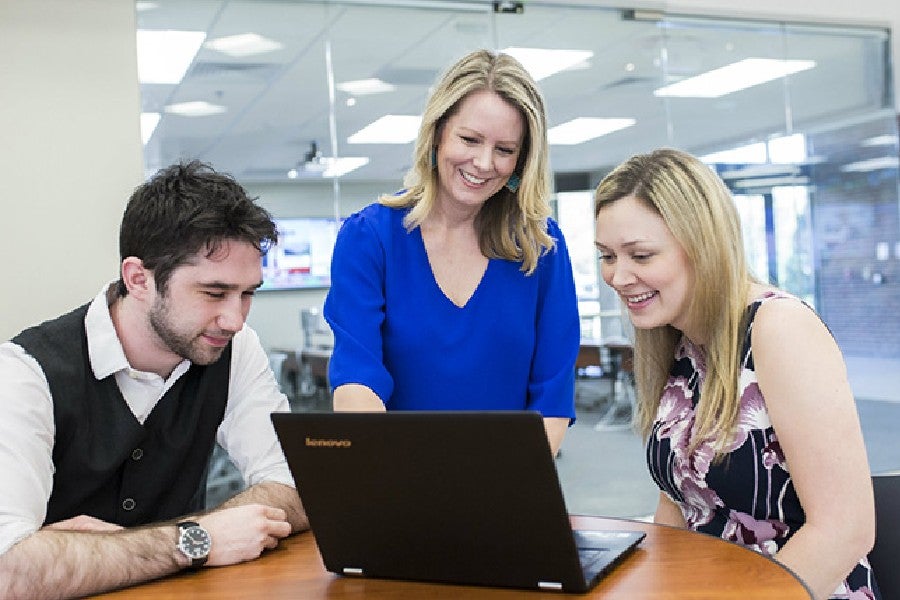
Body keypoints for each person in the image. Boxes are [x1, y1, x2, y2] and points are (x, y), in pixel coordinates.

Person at [0, 160, 309, 598]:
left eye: (248, 294)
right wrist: (199, 540)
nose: (235, 319)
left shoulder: (235, 350)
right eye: (214, 293)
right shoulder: (24, 374)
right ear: (139, 279)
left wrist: (93, 553)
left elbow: (300, 482)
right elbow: (9, 570)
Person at [593, 148, 879, 600]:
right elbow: (681, 499)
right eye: (607, 256)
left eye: (641, 256)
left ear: (702, 246)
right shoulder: (680, 340)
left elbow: (846, 528)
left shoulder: (779, 329)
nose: (618, 276)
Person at [323, 49, 580, 456]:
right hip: (396, 476)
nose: (483, 163)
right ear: (437, 131)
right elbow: (357, 378)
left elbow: (553, 393)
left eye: (505, 149)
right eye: (469, 139)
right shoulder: (369, 238)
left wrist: (508, 486)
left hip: (511, 482)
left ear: (521, 161)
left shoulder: (541, 247)